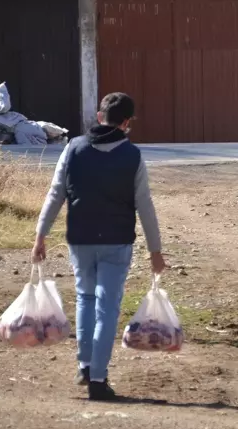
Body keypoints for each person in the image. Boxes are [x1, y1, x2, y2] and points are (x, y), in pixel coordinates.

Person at [32, 92, 165, 400]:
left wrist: (41, 235)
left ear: (99, 115)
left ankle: (85, 365)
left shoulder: (73, 148)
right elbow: (145, 205)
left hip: (80, 239)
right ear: (127, 122)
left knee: (85, 299)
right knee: (107, 307)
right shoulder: (132, 156)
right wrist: (155, 251)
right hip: (116, 243)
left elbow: (55, 194)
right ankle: (98, 379)